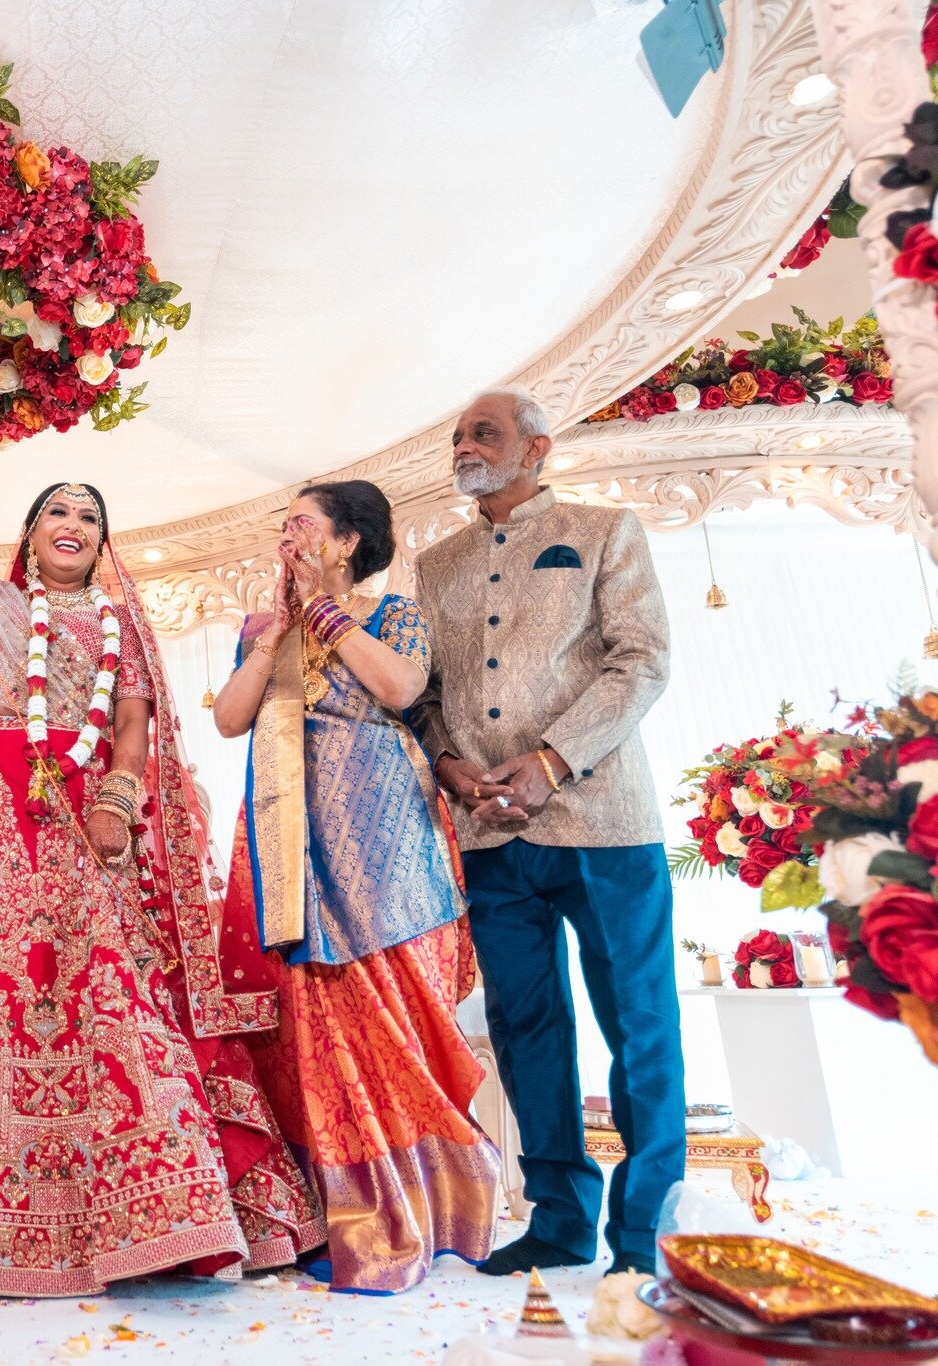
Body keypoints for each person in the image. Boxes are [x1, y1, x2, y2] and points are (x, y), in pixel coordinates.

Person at [0, 380, 315, 1296]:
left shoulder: (120, 619)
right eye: (56, 509)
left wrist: (119, 804)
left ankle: (151, 1214)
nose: (73, 521)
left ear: (101, 541)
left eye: (89, 515)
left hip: (78, 817)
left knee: (100, 994)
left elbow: (130, 723)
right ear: (28, 534)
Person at [410, 387, 681, 1278]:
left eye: (481, 432)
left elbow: (641, 660)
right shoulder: (437, 561)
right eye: (457, 435)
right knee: (527, 1028)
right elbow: (431, 694)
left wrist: (552, 761)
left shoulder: (605, 531)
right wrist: (451, 768)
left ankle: (642, 1236)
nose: (463, 445)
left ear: (537, 449)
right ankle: (559, 1222)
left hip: (604, 823)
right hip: (489, 833)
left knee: (639, 1025)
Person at [212, 481, 498, 1294]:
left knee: (396, 1015)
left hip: (378, 834)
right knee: (305, 1020)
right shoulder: (261, 629)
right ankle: (321, 1220)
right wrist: (278, 631)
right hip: (284, 838)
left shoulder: (392, 612)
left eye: (303, 524)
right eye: (284, 526)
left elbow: (403, 691)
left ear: (345, 542)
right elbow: (231, 719)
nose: (287, 536)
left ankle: (427, 1206)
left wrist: (327, 615)